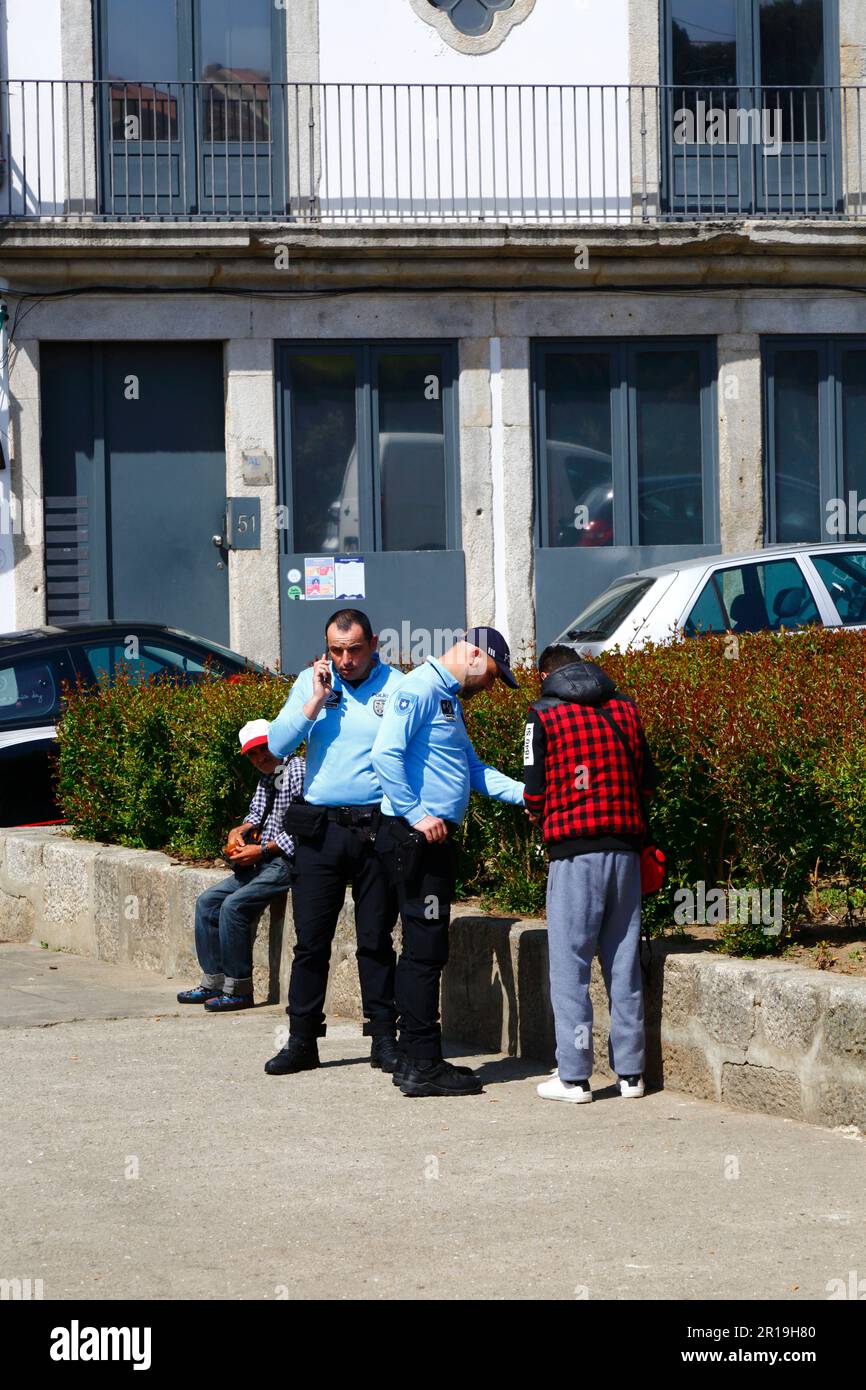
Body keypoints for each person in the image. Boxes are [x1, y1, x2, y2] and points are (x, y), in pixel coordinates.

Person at [371, 627, 525, 1098]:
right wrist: (418, 815)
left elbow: (473, 770)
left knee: (424, 950)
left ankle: (416, 1059)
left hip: (428, 840)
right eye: (494, 676)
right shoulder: (417, 689)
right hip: (417, 840)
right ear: (475, 654)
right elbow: (384, 754)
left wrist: (528, 795)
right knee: (425, 952)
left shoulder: (447, 697)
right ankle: (421, 1065)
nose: (492, 687)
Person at [263, 609, 404, 1076]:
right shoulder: (312, 681)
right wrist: (316, 701)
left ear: (374, 644)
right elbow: (278, 745)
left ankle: (384, 1038)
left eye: (354, 649)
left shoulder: (397, 686)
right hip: (321, 830)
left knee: (376, 941)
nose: (345, 660)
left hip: (375, 827)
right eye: (337, 650)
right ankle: (302, 1039)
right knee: (311, 943)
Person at [523, 644, 658, 1104]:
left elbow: (533, 790)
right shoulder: (626, 708)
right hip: (625, 852)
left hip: (573, 854)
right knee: (623, 964)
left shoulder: (541, 716)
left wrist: (544, 819)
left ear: (546, 674)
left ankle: (575, 1076)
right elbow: (646, 780)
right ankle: (632, 1074)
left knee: (571, 967)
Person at [177, 720, 304, 1012]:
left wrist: (262, 850)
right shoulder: (268, 776)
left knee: (233, 906)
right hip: (261, 859)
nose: (261, 758)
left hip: (285, 860)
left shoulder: (297, 771)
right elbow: (257, 812)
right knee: (207, 902)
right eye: (253, 754)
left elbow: (303, 829)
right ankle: (214, 982)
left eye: (264, 749)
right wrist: (240, 831)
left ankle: (238, 989)